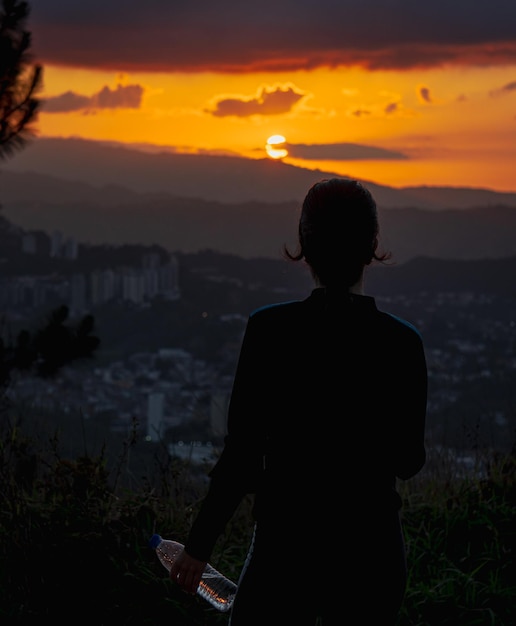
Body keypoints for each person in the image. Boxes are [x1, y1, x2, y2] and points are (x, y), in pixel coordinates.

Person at [169, 177, 428, 625]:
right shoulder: (402, 343)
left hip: (286, 552)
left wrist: (197, 549)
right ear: (372, 245)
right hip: (373, 554)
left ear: (304, 247)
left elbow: (242, 456)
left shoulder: (270, 331)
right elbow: (408, 461)